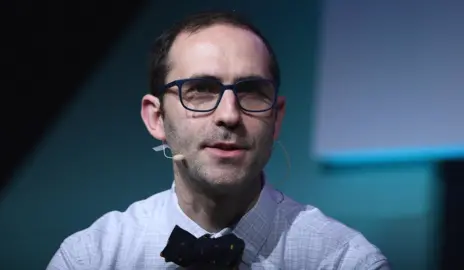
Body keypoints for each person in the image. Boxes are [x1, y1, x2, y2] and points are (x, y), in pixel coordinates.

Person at [47, 11, 390, 270]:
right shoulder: (90, 259)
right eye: (200, 91)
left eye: (251, 92)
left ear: (277, 118)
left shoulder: (344, 261)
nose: (229, 114)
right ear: (156, 118)